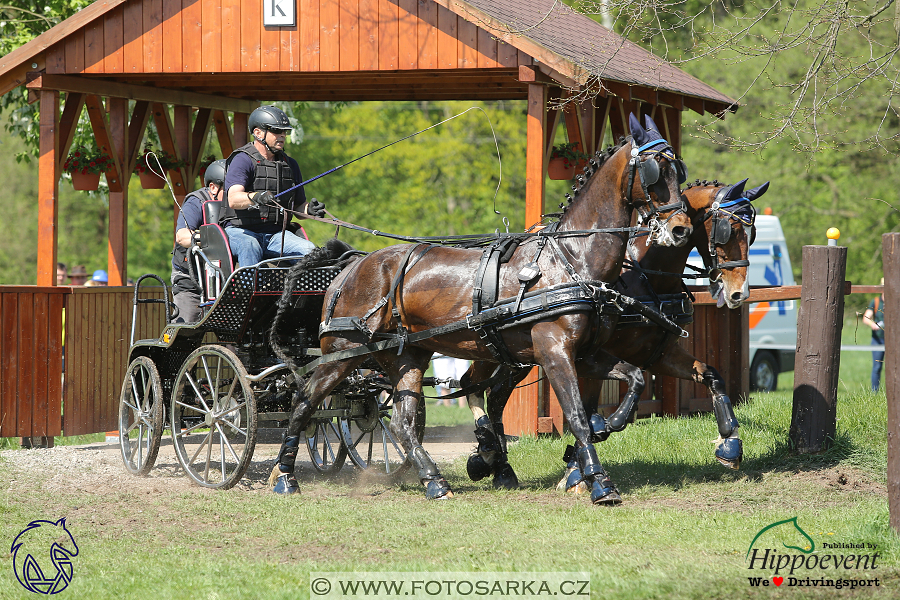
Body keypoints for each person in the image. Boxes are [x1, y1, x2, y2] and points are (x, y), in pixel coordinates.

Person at [220, 105, 325, 267]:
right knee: (250, 246)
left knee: (310, 250)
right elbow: (233, 199)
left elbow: (298, 207)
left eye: (284, 132)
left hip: (276, 235)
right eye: (276, 131)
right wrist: (256, 197)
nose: (282, 135)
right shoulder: (242, 159)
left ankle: (299, 292)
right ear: (258, 133)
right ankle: (249, 291)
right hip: (240, 232)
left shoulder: (290, 165)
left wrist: (309, 210)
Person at [170, 159, 227, 324]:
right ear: (213, 187)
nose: (233, 193)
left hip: (221, 279)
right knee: (185, 328)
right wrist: (210, 238)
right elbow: (181, 236)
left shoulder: (234, 204)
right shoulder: (196, 202)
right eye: (228, 188)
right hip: (191, 278)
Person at [863, 278, 885, 392]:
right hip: (878, 339)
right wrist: (872, 323)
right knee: (877, 367)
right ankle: (874, 392)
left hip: (893, 341)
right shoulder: (876, 301)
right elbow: (866, 317)